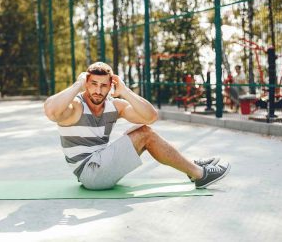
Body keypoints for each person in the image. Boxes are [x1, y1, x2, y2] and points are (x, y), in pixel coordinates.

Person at [44, 62, 230, 190]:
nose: (98, 90)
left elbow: (150, 116)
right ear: (86, 83)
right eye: (93, 84)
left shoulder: (113, 105)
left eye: (103, 85)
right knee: (144, 135)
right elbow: (51, 111)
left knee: (141, 130)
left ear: (111, 86)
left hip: (100, 166)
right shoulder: (76, 106)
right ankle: (199, 174)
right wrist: (78, 84)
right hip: (89, 172)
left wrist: (125, 91)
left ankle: (190, 167)